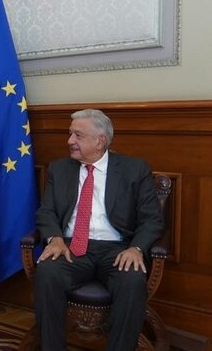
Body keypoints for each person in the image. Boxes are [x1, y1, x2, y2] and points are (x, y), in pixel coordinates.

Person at [34, 109, 164, 351]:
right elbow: (46, 211)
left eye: (78, 135)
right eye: (70, 134)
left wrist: (136, 248)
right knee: (47, 273)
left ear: (100, 140)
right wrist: (55, 238)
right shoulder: (59, 169)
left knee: (132, 281)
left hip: (117, 250)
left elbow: (152, 220)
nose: (69, 141)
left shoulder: (134, 170)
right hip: (71, 247)